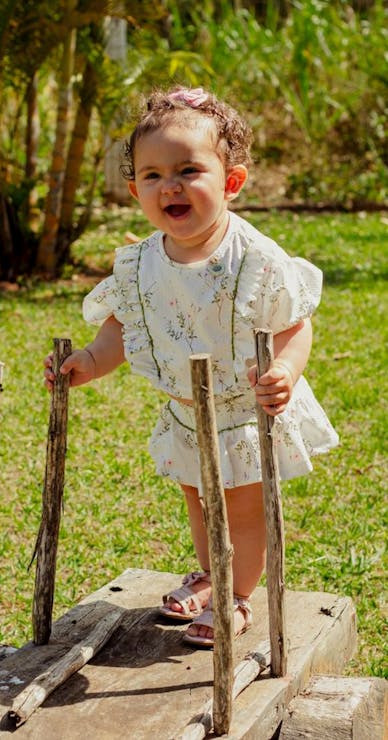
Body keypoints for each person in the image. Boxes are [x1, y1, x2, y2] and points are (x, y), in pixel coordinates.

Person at [44, 86, 338, 647]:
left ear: (231, 182)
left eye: (187, 170)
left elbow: (294, 321)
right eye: (152, 175)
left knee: (243, 507)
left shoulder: (255, 259)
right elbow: (125, 328)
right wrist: (87, 360)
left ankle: (238, 595)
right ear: (136, 191)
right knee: (200, 501)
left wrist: (286, 370)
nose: (169, 185)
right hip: (186, 409)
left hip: (246, 408)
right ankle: (211, 574)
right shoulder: (139, 264)